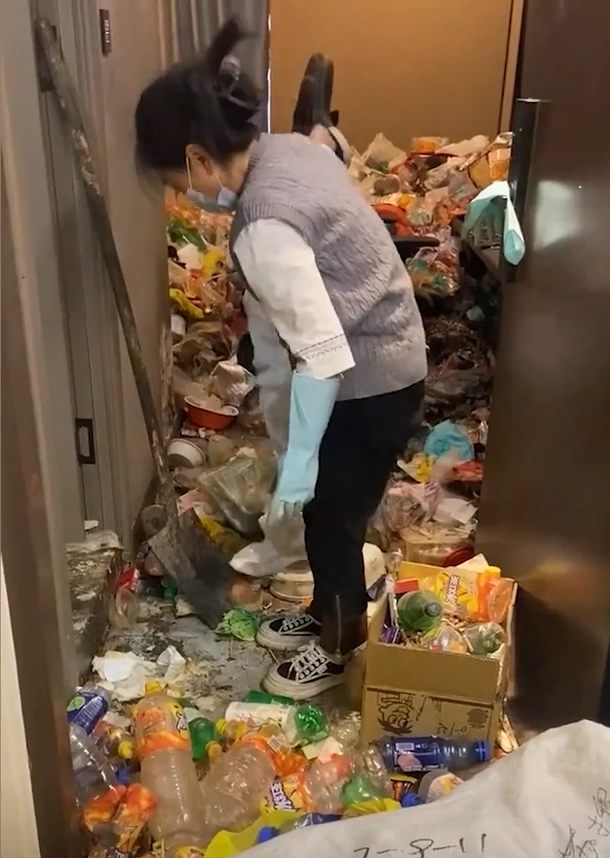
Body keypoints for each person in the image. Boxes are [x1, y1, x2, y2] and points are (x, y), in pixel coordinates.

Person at [134, 18, 427, 700]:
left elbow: (322, 353)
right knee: (334, 511)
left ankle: (338, 644)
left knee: (330, 516)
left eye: (178, 178)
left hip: (370, 376)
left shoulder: (264, 221)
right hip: (387, 346)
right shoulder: (291, 151)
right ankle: (328, 609)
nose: (184, 195)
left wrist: (297, 463)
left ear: (200, 156)